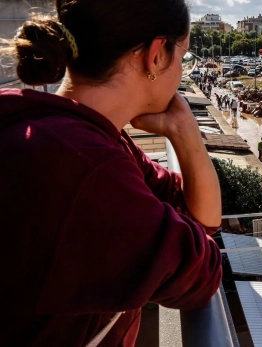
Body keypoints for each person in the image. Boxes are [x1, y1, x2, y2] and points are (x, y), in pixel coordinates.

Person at [0, 1, 223, 346]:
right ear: (156, 55)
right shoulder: (87, 169)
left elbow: (196, 214)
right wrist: (188, 134)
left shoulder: (71, 136)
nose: (182, 71)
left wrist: (185, 133)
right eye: (184, 56)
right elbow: (202, 275)